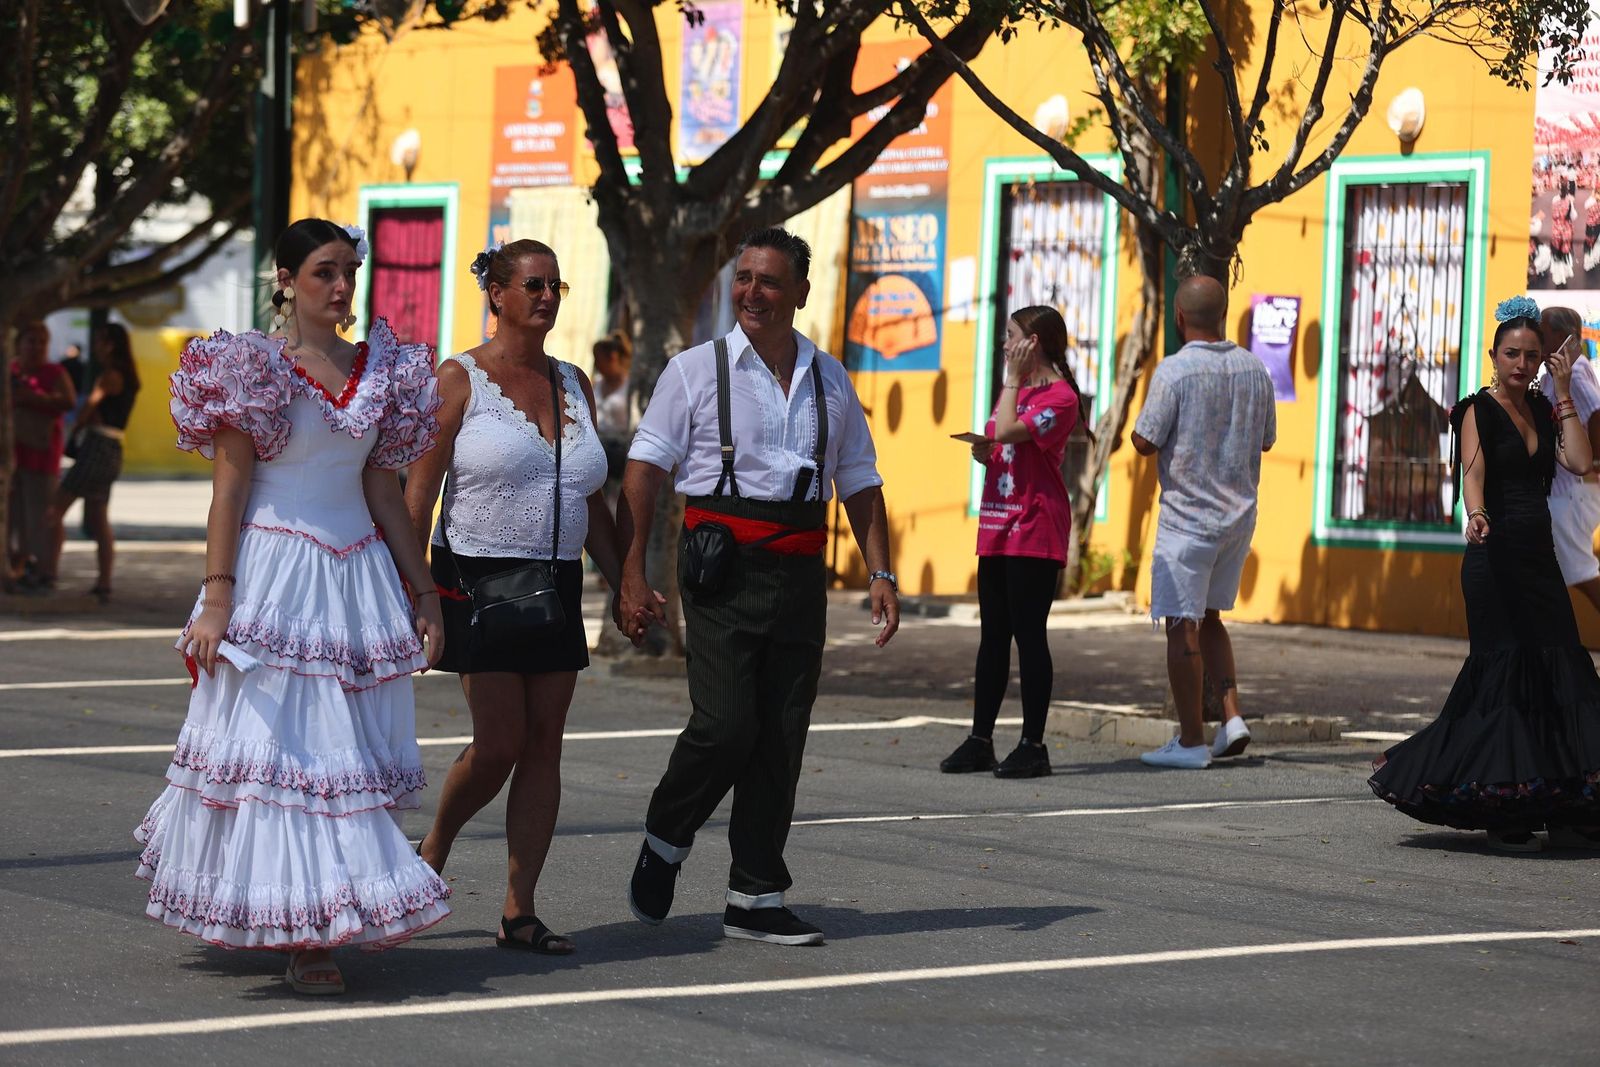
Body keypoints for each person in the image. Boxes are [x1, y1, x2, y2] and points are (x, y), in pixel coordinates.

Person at [134, 218, 450, 995]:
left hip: (356, 581)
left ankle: (319, 917)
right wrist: (216, 599)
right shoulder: (252, 366)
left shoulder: (386, 369)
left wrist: (426, 592)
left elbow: (383, 488)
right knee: (287, 763)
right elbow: (229, 492)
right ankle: (306, 933)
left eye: (348, 270)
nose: (340, 286)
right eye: (322, 272)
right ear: (285, 279)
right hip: (272, 577)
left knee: (345, 767)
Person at [617, 226, 899, 947]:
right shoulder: (694, 370)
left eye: (769, 281)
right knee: (726, 724)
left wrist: (881, 571)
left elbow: (860, 482)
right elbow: (645, 471)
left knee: (781, 735)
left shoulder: (830, 378)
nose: (751, 292)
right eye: (743, 278)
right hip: (720, 566)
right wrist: (630, 567)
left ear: (801, 291)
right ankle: (666, 835)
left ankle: (756, 894)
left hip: (801, 571)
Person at [404, 239, 635, 955]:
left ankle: (519, 908)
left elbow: (587, 496)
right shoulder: (458, 379)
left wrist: (627, 574)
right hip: (476, 578)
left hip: (557, 579)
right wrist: (418, 595)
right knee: (500, 741)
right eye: (532, 284)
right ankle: (431, 851)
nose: (546, 296)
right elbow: (417, 496)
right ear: (497, 294)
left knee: (544, 745)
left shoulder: (574, 382)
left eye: (555, 285)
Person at [1370, 296, 1600, 851]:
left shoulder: (1548, 406)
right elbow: (1472, 473)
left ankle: (1562, 803)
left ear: (1544, 359)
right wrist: (1475, 515)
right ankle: (1504, 805)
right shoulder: (1476, 408)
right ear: (1493, 356)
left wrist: (1565, 392)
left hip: (1537, 557)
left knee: (1558, 668)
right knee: (1505, 676)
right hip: (1493, 555)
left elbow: (1578, 461)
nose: (1522, 364)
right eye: (1512, 354)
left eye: (1532, 355)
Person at [1131, 275, 1275, 769]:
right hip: (1238, 518)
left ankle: (1192, 739)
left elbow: (1144, 440)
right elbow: (1268, 439)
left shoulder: (1173, 372)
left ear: (1178, 318)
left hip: (1187, 520)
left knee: (1181, 626)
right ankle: (1231, 717)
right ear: (1225, 312)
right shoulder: (1255, 369)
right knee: (1211, 618)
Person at [940, 305, 1090, 779]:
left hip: (1035, 526)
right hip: (999, 524)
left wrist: (1009, 385)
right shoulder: (1018, 391)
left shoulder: (1061, 397)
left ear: (1035, 343)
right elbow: (1000, 439)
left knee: (1029, 636)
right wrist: (986, 453)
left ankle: (1033, 744)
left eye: (1011, 336)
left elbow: (1006, 429)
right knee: (992, 638)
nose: (1005, 345)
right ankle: (980, 739)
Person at [42, 322, 141, 602]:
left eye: (99, 341)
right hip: (113, 448)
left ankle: (47, 572)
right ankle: (104, 582)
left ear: (109, 344)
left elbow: (87, 408)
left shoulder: (109, 376)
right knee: (98, 519)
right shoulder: (129, 376)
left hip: (96, 446)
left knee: (54, 510)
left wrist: (75, 428)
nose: (95, 347)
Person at [1537, 305, 1600, 616]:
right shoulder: (1553, 375)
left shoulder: (1573, 373)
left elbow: (1597, 413)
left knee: (1582, 574)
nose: (1537, 337)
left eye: (1543, 332)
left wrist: (1594, 464)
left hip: (1571, 494)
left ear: (1561, 337)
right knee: (1546, 577)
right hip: (1559, 493)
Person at [8, 319, 76, 592]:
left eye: (41, 342)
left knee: (44, 514)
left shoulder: (54, 371)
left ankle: (47, 569)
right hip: (13, 454)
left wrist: (33, 398)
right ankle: (18, 567)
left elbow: (68, 402)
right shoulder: (11, 369)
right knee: (14, 514)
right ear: (19, 343)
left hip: (43, 452)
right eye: (30, 341)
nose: (36, 347)